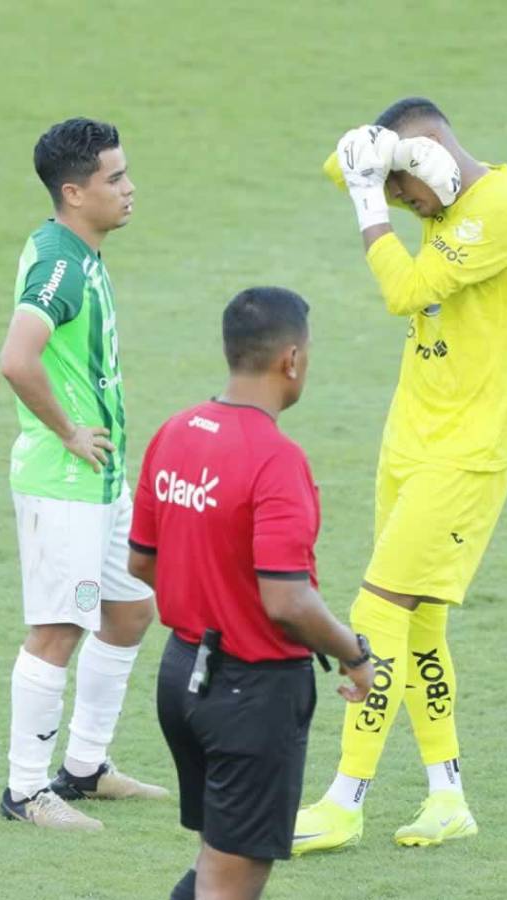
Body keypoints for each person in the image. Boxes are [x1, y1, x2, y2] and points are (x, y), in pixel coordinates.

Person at [292, 97, 507, 854]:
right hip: (409, 443)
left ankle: (344, 799)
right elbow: (338, 166)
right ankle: (447, 796)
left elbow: (403, 292)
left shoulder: (505, 210)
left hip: (466, 455)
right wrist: (373, 160)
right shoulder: (439, 196)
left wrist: (376, 198)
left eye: (406, 195)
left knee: (375, 609)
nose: (403, 208)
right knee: (420, 622)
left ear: (431, 155)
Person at [128, 287, 377, 900]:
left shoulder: (176, 432)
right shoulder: (276, 459)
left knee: (217, 861)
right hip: (251, 694)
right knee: (229, 884)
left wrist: (208, 601)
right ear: (291, 359)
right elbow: (287, 601)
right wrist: (354, 652)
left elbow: (141, 560)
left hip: (183, 676)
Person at [0, 117, 167, 831]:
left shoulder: (77, 249)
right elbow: (16, 357)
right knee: (58, 629)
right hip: (65, 483)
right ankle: (24, 790)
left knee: (128, 611)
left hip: (102, 482)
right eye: (115, 178)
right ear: (74, 192)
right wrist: (67, 430)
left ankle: (85, 767)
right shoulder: (61, 266)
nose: (129, 189)